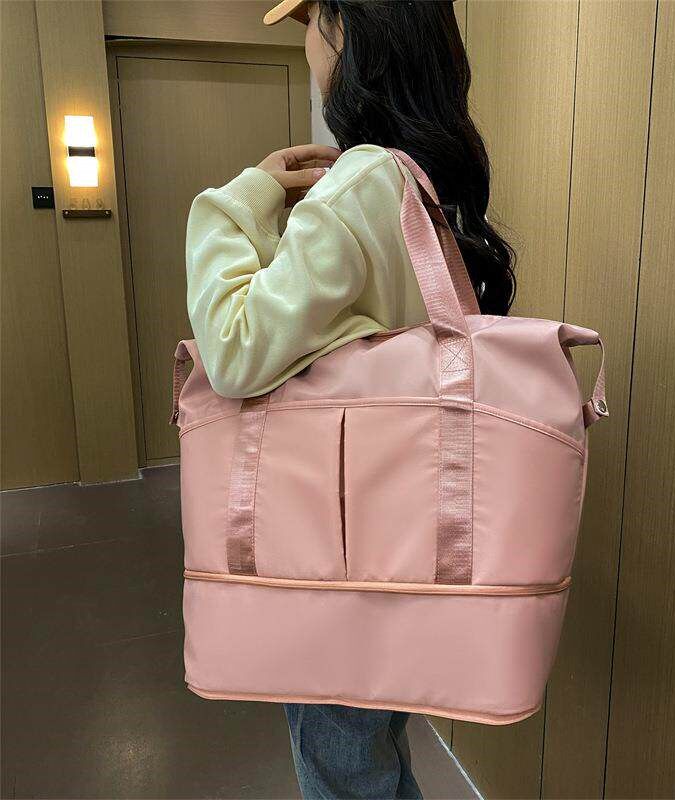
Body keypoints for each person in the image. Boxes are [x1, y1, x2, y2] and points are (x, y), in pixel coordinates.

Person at [184, 1, 515, 797]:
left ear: (348, 28)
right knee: (370, 760)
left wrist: (239, 201)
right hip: (395, 541)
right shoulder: (423, 182)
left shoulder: (364, 180)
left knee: (343, 771)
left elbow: (234, 348)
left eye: (310, 20)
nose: (306, 44)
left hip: (332, 552)